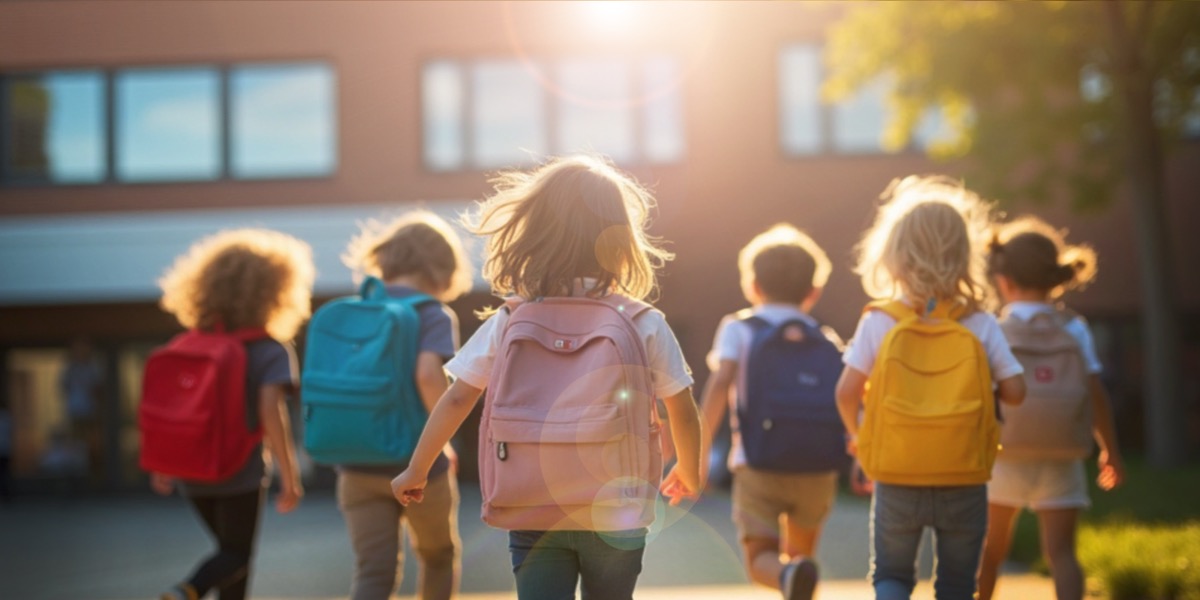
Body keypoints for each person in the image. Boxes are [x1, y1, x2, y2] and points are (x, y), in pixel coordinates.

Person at [390, 155, 703, 600]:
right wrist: (687, 470)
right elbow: (681, 408)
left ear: (533, 233)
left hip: (532, 503)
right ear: (619, 237)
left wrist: (416, 468)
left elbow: (459, 398)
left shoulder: (511, 318)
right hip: (617, 506)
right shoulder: (642, 319)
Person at [834, 176, 1026, 600]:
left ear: (893, 255)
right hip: (964, 473)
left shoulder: (880, 320)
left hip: (897, 474)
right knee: (958, 583)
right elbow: (1015, 392)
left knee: (892, 575)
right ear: (964, 257)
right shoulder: (979, 323)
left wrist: (860, 436)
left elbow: (846, 392)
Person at [152, 228, 313, 600]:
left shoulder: (187, 345)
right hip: (239, 472)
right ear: (276, 291)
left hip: (192, 473)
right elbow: (271, 412)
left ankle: (192, 588)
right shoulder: (270, 350)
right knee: (237, 553)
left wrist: (162, 463)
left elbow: (172, 412)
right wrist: (290, 475)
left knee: (231, 556)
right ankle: (186, 590)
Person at [977, 217, 1124, 600]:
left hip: (1004, 456)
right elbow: (1095, 392)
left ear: (1003, 281)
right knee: (1062, 554)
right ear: (1054, 277)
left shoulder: (993, 330)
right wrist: (1111, 450)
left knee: (988, 554)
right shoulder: (1074, 328)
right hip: (1062, 455)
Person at [697, 223, 842, 600]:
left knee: (763, 558)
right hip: (817, 467)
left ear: (753, 287)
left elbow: (720, 385)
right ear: (814, 292)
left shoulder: (738, 328)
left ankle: (789, 573)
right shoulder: (825, 338)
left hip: (757, 464)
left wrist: (698, 451)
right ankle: (797, 571)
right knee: (803, 559)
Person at [336, 211, 473, 600]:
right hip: (417, 466)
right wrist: (443, 439)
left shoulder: (354, 308)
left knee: (373, 572)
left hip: (355, 462)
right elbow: (429, 375)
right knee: (438, 556)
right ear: (443, 266)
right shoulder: (430, 313)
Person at [60, 336, 104, 481]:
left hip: (90, 412)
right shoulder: (70, 369)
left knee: (92, 444)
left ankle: (94, 476)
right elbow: (63, 387)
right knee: (75, 446)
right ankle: (76, 478)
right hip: (74, 411)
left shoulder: (92, 368)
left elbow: (97, 389)